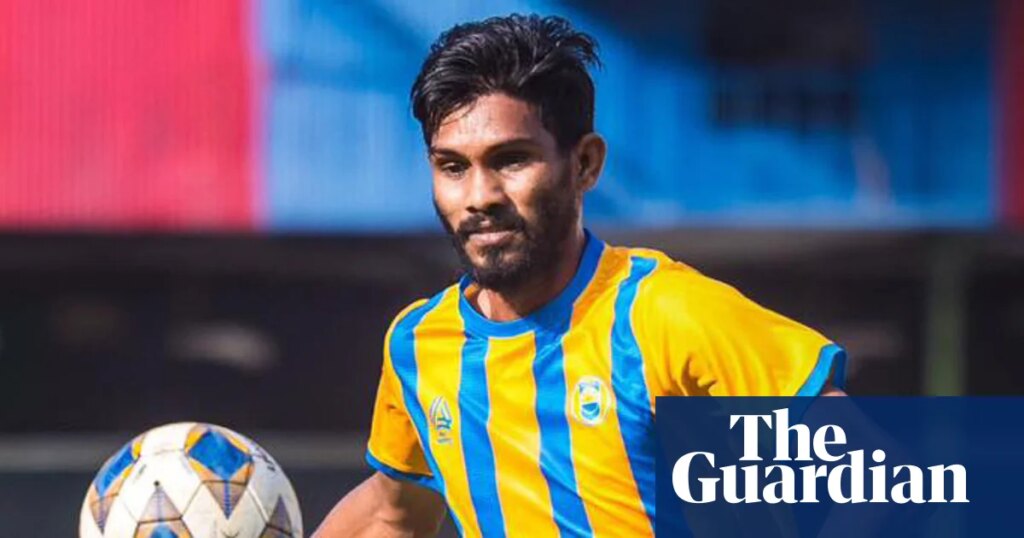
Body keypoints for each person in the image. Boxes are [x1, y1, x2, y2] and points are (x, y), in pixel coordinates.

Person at [314, 13, 846, 538]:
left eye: (512, 160)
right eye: (453, 166)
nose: (480, 197)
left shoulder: (664, 316)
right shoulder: (419, 345)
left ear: (585, 164)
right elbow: (393, 512)